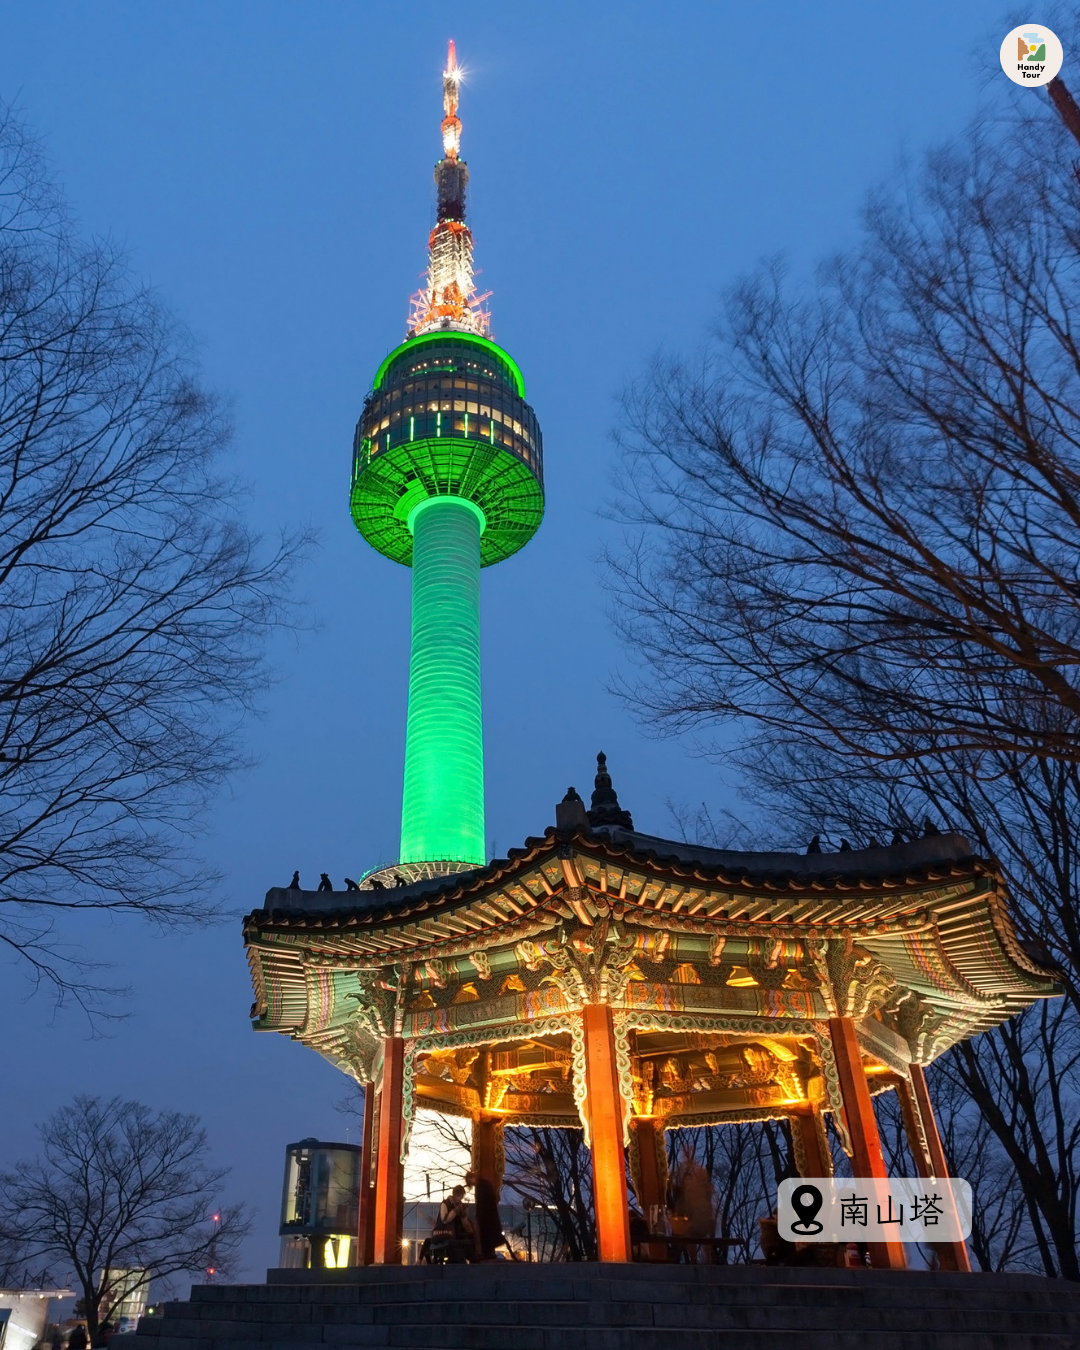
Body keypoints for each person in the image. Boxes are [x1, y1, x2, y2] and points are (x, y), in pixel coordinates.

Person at [465, 1168, 504, 1261]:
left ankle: (487, 1254)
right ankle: (489, 1254)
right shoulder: (484, 1184)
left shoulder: (481, 1186)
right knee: (488, 1237)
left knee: (486, 1237)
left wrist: (479, 1216)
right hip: (489, 1217)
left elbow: (482, 1204)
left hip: (485, 1218)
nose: (473, 1184)